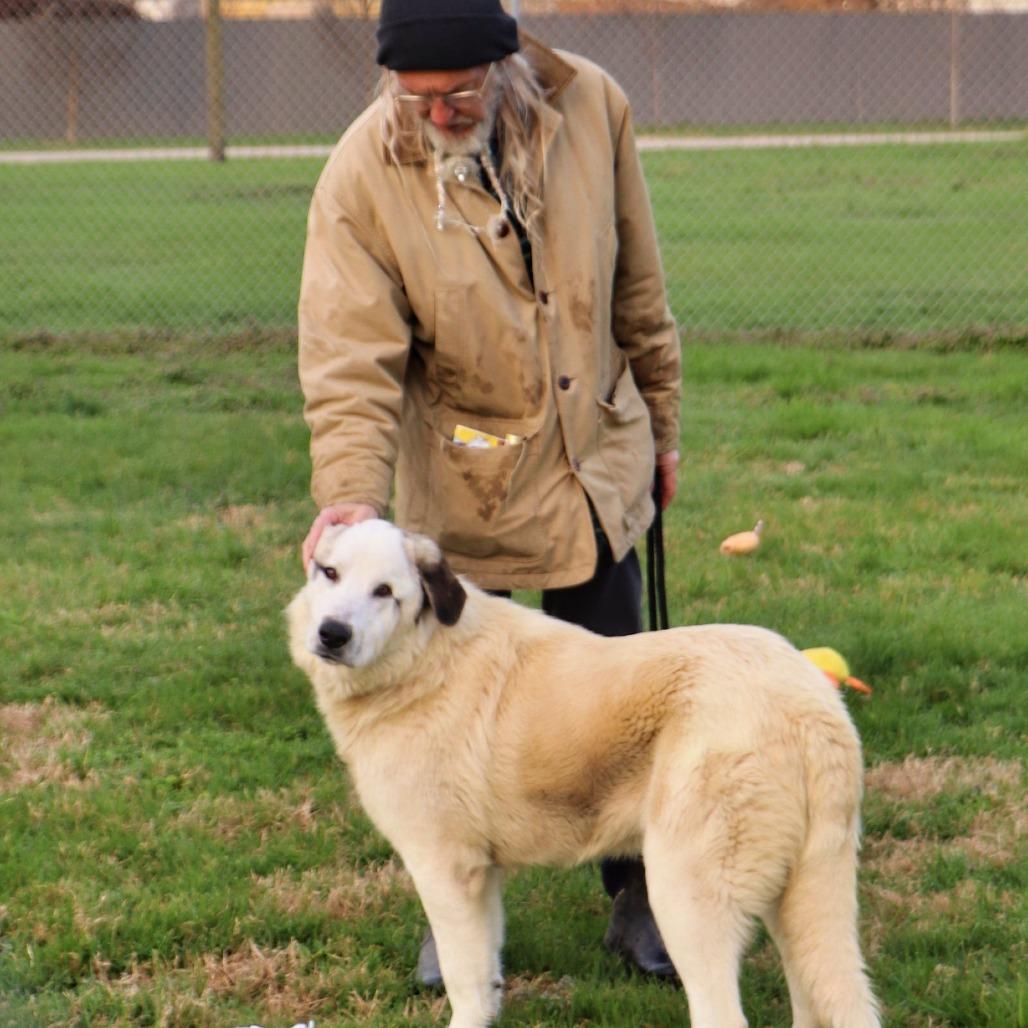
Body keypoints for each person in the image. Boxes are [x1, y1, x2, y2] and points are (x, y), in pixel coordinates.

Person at [297, 0, 682, 986]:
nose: (435, 114)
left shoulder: (593, 106)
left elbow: (638, 280)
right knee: (450, 711)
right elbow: (348, 358)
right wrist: (346, 494)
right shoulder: (361, 172)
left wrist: (663, 430)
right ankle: (452, 896)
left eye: (456, 92)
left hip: (594, 464)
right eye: (413, 96)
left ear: (504, 66)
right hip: (465, 479)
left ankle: (639, 889)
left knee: (616, 695)